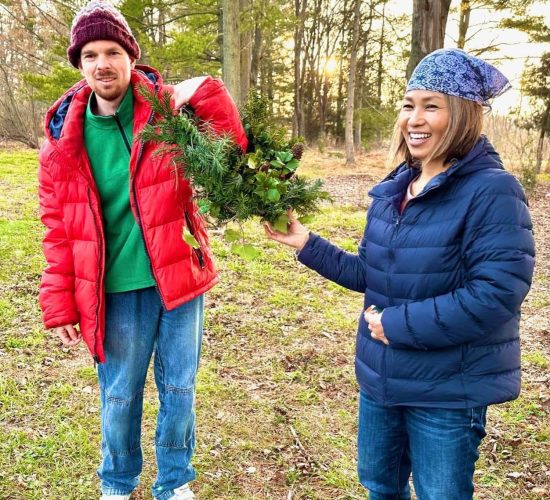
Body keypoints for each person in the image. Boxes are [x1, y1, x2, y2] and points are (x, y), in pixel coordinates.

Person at [265, 48, 535, 499]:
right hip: (382, 381)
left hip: (447, 390)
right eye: (409, 105)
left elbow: (496, 294)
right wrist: (307, 244)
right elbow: (374, 274)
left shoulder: (492, 190)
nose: (415, 118)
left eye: (432, 105)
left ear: (465, 115)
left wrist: (395, 324)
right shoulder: (397, 189)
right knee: (381, 486)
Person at [37, 2, 247, 499]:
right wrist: (59, 301)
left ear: (131, 55)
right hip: (114, 289)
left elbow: (232, 149)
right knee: (119, 395)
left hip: (178, 280)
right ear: (80, 63)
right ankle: (117, 483)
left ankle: (175, 483)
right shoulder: (62, 141)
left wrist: (210, 92)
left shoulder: (169, 112)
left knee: (179, 391)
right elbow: (57, 229)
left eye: (112, 51)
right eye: (90, 54)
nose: (102, 63)